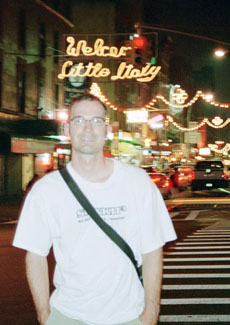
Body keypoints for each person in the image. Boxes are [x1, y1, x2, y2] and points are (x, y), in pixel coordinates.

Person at [13, 93, 177, 325]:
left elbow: (152, 249)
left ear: (107, 129)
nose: (88, 128)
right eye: (79, 120)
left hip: (129, 316)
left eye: (96, 120)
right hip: (68, 316)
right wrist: (44, 314)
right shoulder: (46, 190)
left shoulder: (137, 181)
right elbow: (35, 256)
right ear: (67, 128)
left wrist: (151, 310)